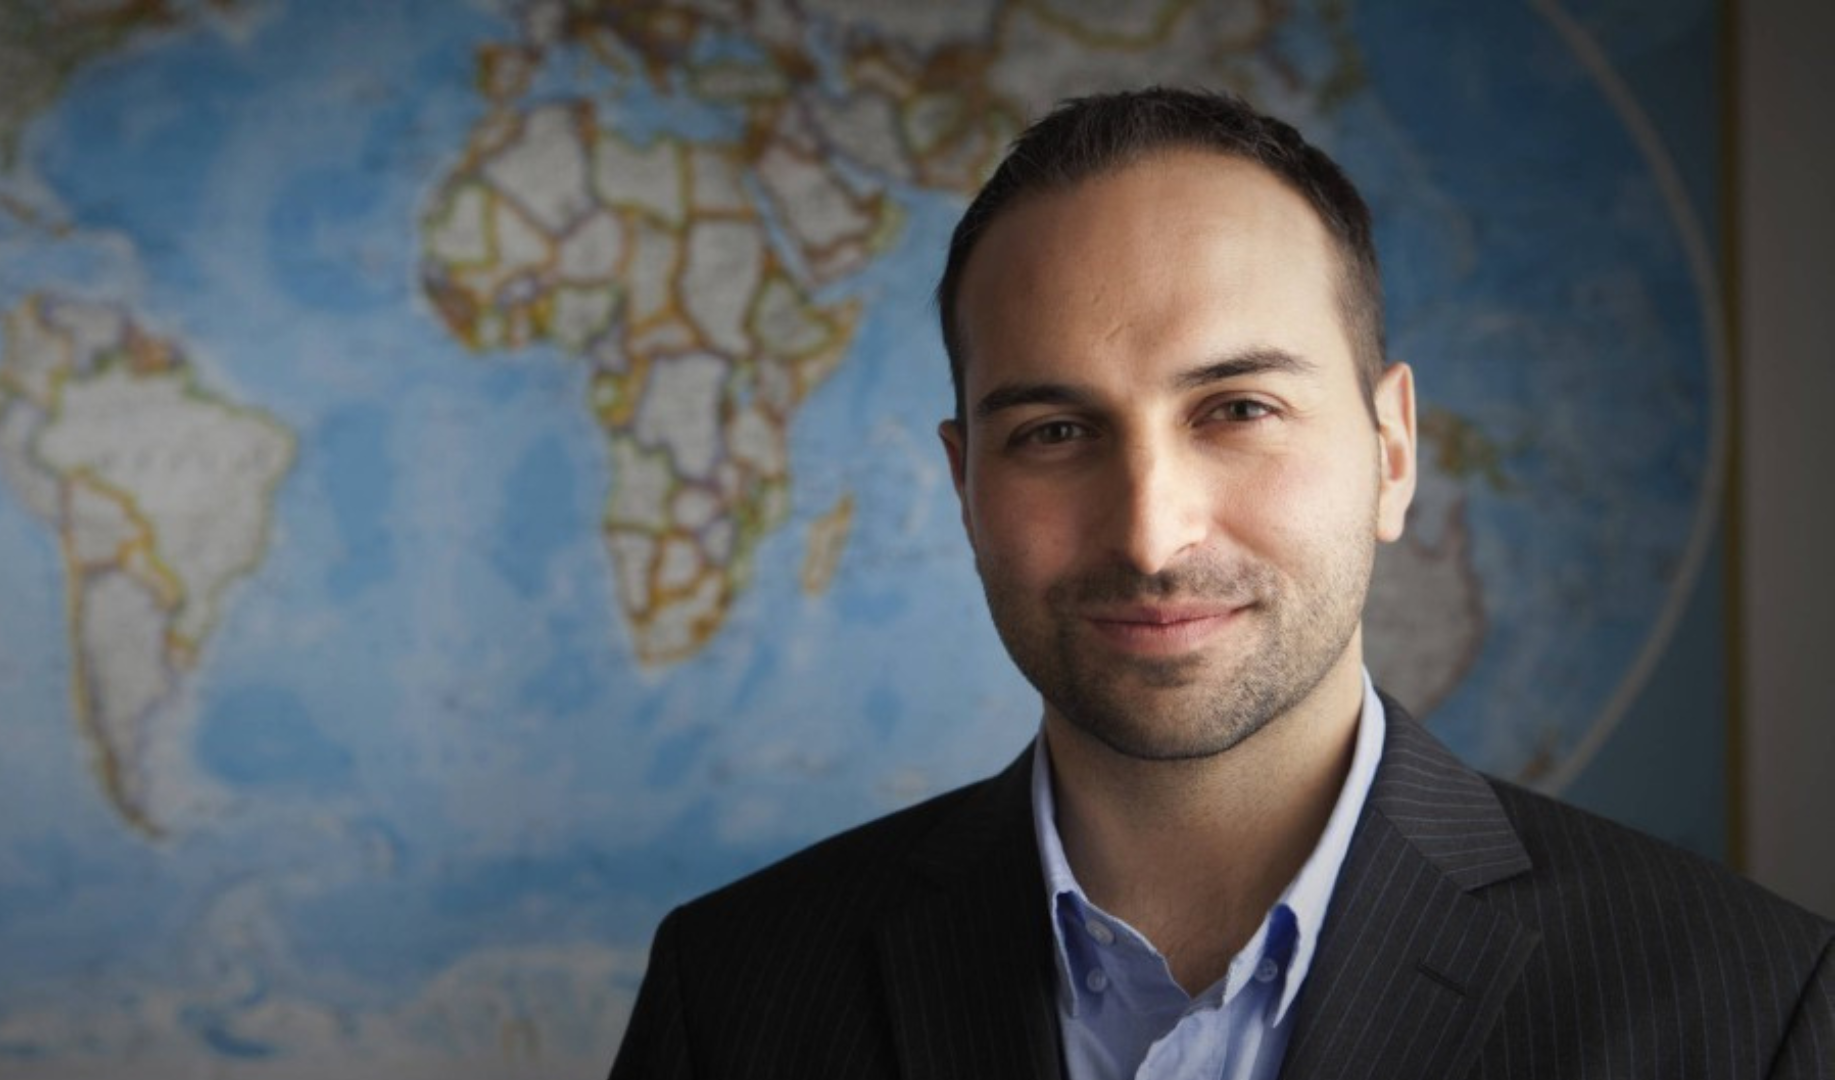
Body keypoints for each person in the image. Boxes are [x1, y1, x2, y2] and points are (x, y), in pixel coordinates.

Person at [608, 87, 1834, 1079]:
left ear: (1392, 452)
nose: (1152, 533)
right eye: (1053, 431)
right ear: (964, 482)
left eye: (1238, 408)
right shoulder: (734, 995)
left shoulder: (1749, 1008)